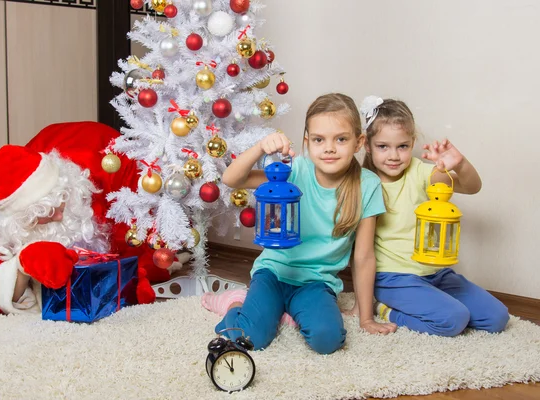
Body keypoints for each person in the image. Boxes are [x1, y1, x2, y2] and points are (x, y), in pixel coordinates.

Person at [201, 93, 397, 355]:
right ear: (307, 141)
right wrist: (261, 147)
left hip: (317, 282)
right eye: (319, 139)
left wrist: (366, 317)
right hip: (274, 273)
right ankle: (235, 303)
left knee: (328, 340)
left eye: (340, 139)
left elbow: (363, 256)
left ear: (359, 142)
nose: (329, 148)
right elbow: (231, 179)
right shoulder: (293, 170)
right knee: (252, 339)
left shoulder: (367, 184)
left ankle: (290, 310)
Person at [0, 121, 187, 315]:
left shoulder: (85, 185)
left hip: (112, 166)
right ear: (23, 220)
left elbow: (134, 244)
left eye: (62, 201)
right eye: (47, 214)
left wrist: (127, 283)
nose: (59, 215)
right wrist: (22, 267)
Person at [358, 96, 509, 336]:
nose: (394, 156)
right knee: (453, 320)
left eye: (403, 146)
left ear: (412, 143)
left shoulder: (419, 172)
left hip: (437, 274)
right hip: (394, 278)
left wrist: (459, 164)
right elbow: (361, 253)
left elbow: (471, 187)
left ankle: (433, 302)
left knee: (497, 318)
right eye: (383, 146)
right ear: (367, 145)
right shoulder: (366, 184)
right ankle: (386, 309)